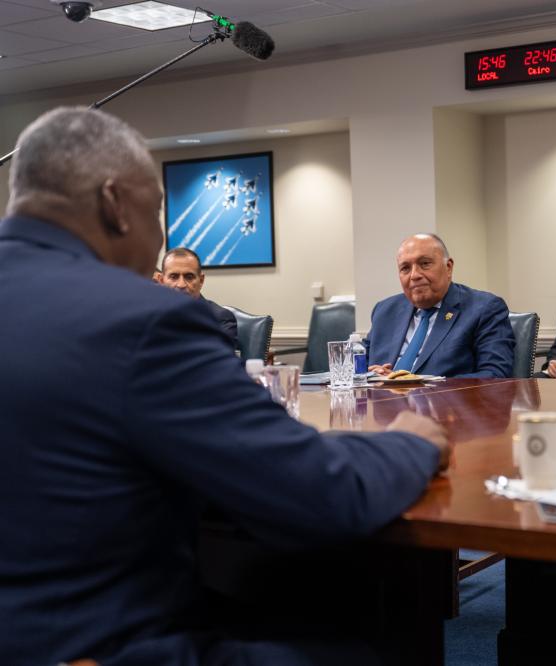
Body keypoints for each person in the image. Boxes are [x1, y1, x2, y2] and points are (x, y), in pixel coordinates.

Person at [0, 106, 451, 666]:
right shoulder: (141, 319)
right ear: (115, 203)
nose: (158, 240)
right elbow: (319, 494)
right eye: (156, 210)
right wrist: (410, 442)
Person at [366, 233, 515, 378]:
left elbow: (495, 375)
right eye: (405, 268)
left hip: (445, 395)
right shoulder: (385, 311)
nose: (414, 275)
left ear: (448, 267)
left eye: (425, 264)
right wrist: (371, 375)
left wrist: (417, 385)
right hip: (382, 394)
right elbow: (357, 363)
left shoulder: (484, 308)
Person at [157, 246, 239, 352]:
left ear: (201, 280)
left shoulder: (220, 318)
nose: (181, 284)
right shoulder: (152, 316)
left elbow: (220, 359)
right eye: (174, 277)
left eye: (189, 277)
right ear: (161, 281)